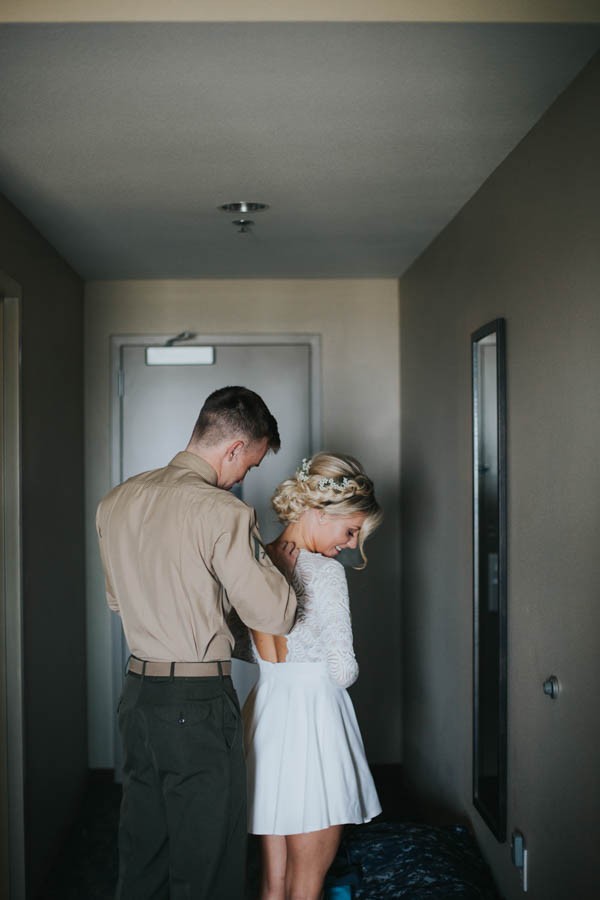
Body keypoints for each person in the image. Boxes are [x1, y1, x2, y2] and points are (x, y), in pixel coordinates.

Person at [96, 385, 298, 900]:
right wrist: (279, 566)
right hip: (197, 705)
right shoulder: (221, 511)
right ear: (233, 449)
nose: (243, 478)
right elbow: (275, 613)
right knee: (207, 866)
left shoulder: (116, 501)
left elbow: (120, 601)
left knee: (143, 852)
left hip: (138, 697)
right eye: (249, 466)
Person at [241, 452, 383, 900]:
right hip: (315, 730)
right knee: (307, 885)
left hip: (268, 720)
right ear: (319, 513)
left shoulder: (257, 561)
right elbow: (343, 671)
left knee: (273, 882)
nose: (351, 544)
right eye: (351, 530)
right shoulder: (325, 574)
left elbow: (243, 646)